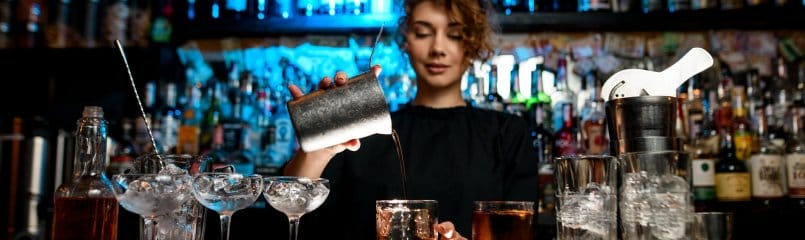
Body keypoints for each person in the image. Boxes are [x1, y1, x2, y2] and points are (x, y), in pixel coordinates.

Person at [284, 0, 538, 239]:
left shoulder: (506, 133)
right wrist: (319, 143)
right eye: (423, 32)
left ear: (472, 43)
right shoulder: (363, 131)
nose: (438, 49)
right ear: (405, 41)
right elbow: (293, 214)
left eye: (455, 34)